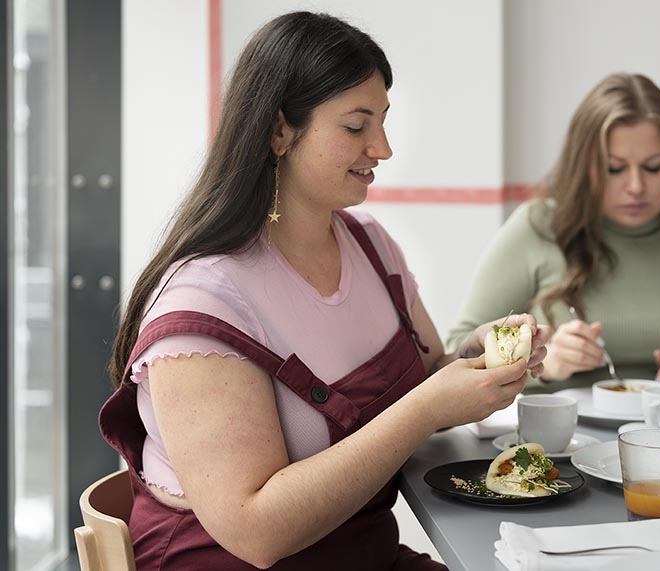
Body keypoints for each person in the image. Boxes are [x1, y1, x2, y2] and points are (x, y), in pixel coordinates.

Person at [100, 12, 548, 571]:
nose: (382, 149)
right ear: (279, 131)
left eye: (384, 122)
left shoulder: (371, 247)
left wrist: (475, 363)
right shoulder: (203, 304)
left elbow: (431, 379)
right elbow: (255, 532)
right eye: (356, 127)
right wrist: (428, 408)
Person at [447, 73, 660, 396]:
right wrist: (541, 366)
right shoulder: (537, 227)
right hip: (560, 443)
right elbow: (455, 356)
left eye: (653, 167)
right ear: (583, 166)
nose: (635, 187)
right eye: (614, 169)